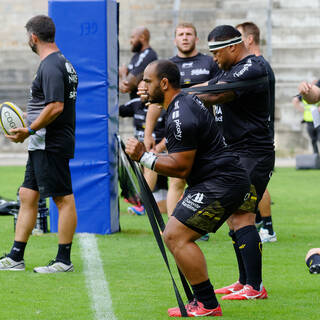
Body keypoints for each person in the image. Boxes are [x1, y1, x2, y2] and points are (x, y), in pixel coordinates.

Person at [125, 59, 251, 317]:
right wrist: (147, 93)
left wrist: (143, 157)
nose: (143, 87)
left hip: (221, 182)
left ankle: (207, 303)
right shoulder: (179, 104)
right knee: (173, 234)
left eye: (148, 82)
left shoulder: (180, 114)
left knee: (175, 235)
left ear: (164, 83)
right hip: (216, 180)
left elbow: (181, 167)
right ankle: (204, 301)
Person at [198, 25, 274, 300]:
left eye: (216, 52)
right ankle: (244, 281)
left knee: (242, 216)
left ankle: (255, 286)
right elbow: (209, 87)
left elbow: (216, 94)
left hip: (253, 153)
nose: (213, 58)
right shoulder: (228, 70)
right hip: (237, 152)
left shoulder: (253, 67)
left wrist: (179, 95)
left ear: (233, 47)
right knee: (234, 216)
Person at [0, 15, 78, 273]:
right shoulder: (62, 63)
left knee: (63, 199)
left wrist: (30, 128)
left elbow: (56, 106)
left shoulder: (51, 65)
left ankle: (63, 261)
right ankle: (15, 256)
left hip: (49, 142)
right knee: (27, 194)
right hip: (41, 142)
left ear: (34, 37)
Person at [144, 23, 219, 241]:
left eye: (189, 34)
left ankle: (198, 223)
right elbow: (155, 102)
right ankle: (177, 225)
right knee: (177, 179)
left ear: (196, 39)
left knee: (205, 177)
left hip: (205, 133)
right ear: (174, 39)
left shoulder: (208, 62)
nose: (185, 38)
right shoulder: (167, 66)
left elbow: (217, 95)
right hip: (178, 129)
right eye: (181, 35)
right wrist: (148, 133)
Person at [236, 22, 277, 243]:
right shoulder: (253, 67)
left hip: (258, 140)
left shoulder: (258, 66)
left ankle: (267, 228)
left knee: (254, 185)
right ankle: (263, 224)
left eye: (238, 37)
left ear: (249, 39)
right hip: (253, 139)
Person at [119, 81, 167, 215]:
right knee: (163, 208)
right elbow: (114, 111)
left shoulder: (163, 106)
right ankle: (145, 202)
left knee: (149, 159)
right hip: (141, 151)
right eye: (138, 90)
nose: (140, 93)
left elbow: (172, 132)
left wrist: (159, 147)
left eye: (144, 90)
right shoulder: (135, 104)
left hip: (161, 152)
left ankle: (141, 201)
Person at [119, 26, 157, 99]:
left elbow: (126, 87)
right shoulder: (136, 55)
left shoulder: (147, 55)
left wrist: (123, 74)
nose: (130, 41)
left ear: (142, 37)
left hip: (143, 104)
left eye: (132, 37)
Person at [293, 81, 320, 154]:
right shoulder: (306, 92)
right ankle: (316, 157)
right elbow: (295, 101)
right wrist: (303, 110)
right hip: (309, 121)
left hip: (318, 121)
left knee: (316, 140)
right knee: (313, 140)